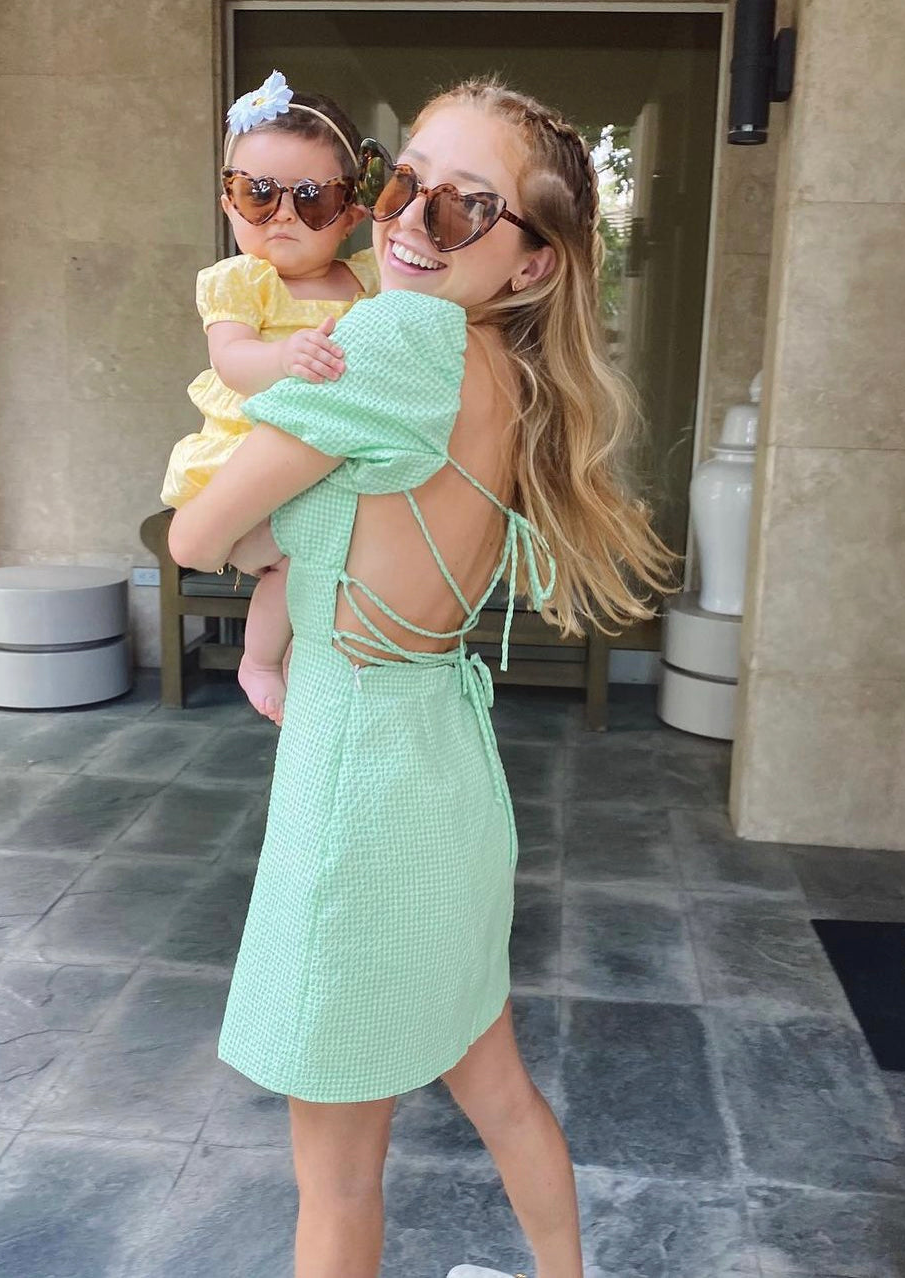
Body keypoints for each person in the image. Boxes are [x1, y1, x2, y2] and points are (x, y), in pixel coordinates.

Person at [168, 77, 676, 1278]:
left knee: (339, 1178)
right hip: (442, 762)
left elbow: (196, 537)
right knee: (495, 1085)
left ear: (534, 261)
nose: (407, 218)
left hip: (357, 793)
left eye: (462, 207)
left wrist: (262, 531)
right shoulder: (510, 371)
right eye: (404, 183)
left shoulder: (395, 340)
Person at [160, 70, 376, 725]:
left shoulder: (368, 282)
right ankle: (257, 660)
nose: (283, 214)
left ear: (351, 214)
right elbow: (230, 361)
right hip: (249, 454)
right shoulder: (242, 281)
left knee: (328, 567)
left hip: (334, 468)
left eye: (312, 199)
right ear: (229, 205)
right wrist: (282, 359)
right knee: (291, 562)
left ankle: (310, 664)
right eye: (258, 194)